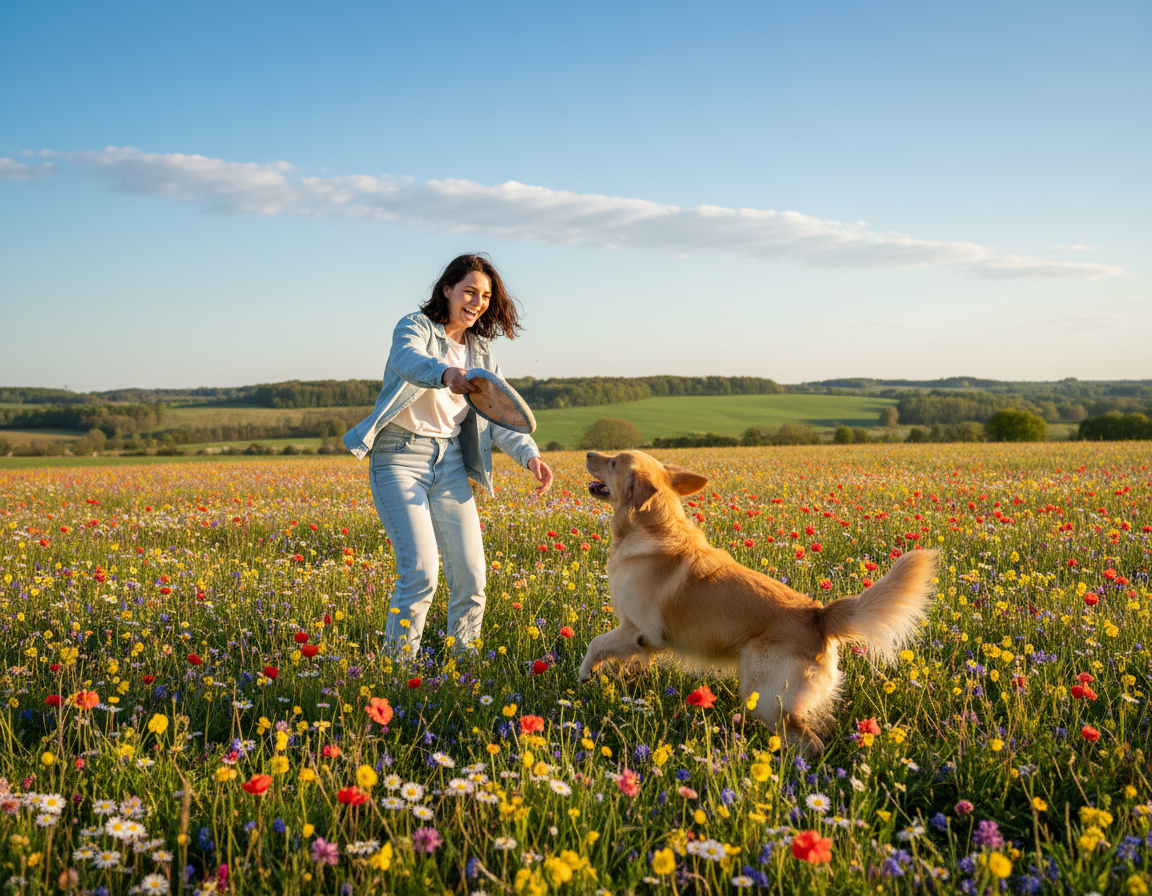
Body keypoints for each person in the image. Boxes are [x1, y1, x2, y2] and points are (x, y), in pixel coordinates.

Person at [343, 254, 553, 657]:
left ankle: (463, 663)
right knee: (420, 573)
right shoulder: (415, 327)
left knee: (472, 576)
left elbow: (501, 413)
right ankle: (398, 669)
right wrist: (445, 374)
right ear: (447, 290)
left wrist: (530, 456)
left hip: (451, 462)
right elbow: (407, 360)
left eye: (486, 296)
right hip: (399, 457)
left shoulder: (481, 352)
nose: (477, 302)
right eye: (469, 291)